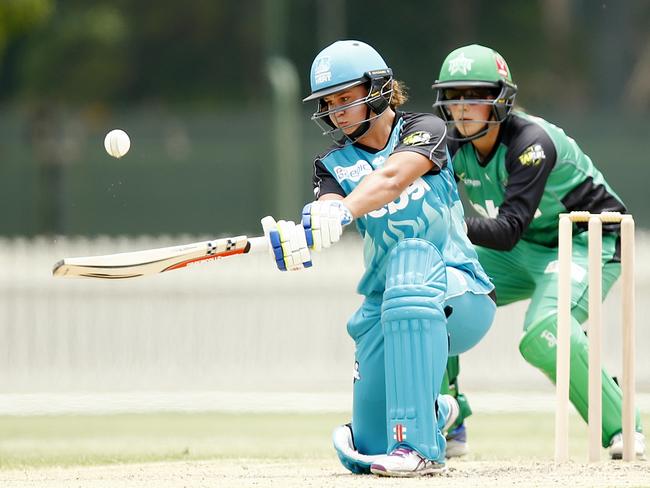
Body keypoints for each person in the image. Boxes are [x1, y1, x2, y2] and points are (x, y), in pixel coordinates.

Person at [261, 40, 496, 477]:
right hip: (385, 306)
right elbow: (325, 211)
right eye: (329, 103)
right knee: (368, 445)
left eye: (347, 98)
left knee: (410, 261)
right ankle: (437, 408)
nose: (337, 112)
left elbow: (390, 178)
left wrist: (345, 209)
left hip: (458, 292)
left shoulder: (424, 128)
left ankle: (422, 447)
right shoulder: (332, 164)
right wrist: (300, 236)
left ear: (381, 88)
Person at [431, 43, 645, 460]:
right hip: (525, 245)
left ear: (500, 98)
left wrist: (445, 224)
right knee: (435, 301)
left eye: (474, 95)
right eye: (454, 96)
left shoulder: (531, 142)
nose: (462, 108)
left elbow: (507, 230)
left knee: (543, 334)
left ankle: (623, 427)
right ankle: (448, 421)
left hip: (588, 238)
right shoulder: (452, 145)